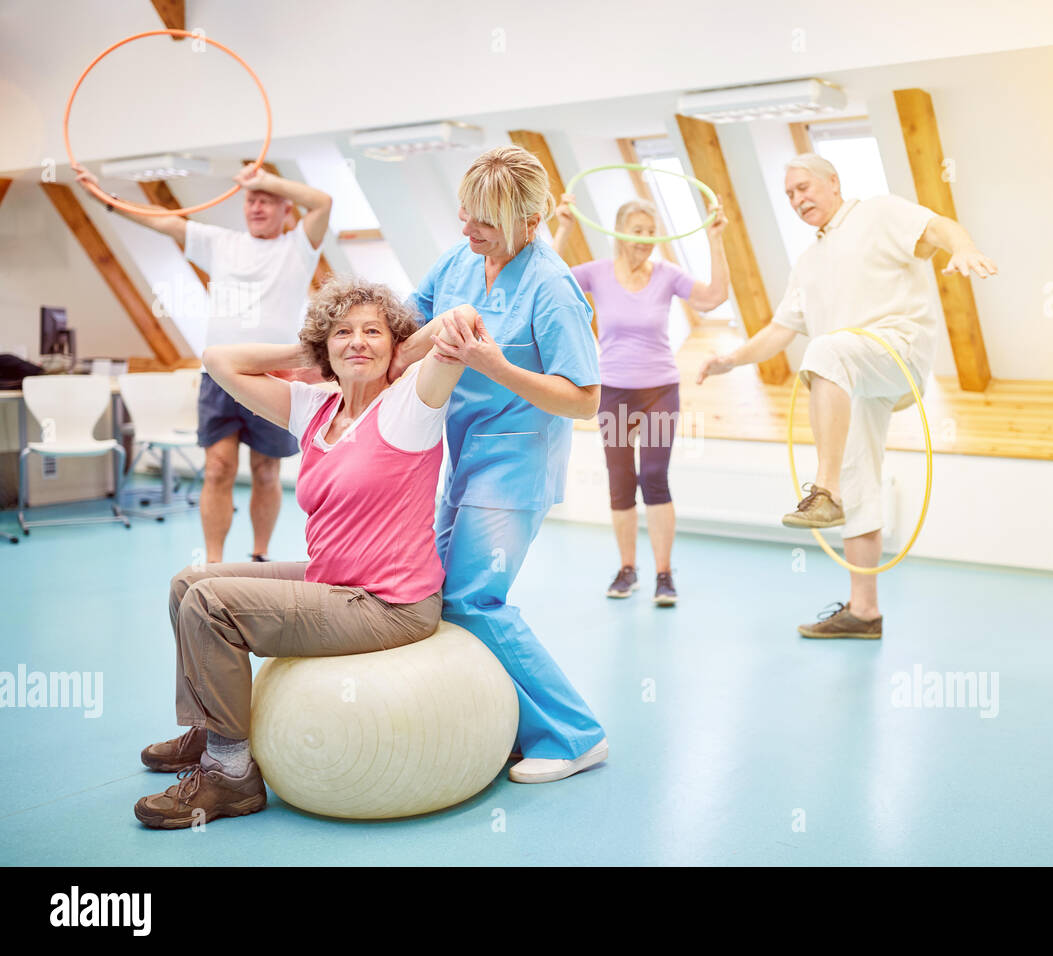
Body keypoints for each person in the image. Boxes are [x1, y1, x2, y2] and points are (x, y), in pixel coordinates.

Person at [133, 277, 465, 828]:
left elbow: (462, 319)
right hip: (332, 579)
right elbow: (218, 361)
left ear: (396, 345)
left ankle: (230, 775)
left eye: (372, 332)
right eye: (342, 333)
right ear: (323, 347)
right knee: (189, 582)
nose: (357, 342)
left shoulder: (412, 403)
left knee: (212, 604)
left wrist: (396, 356)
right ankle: (207, 731)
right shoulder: (315, 405)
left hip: (388, 603)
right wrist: (311, 352)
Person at [697, 154, 997, 639]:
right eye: (789, 195)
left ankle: (824, 490)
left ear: (833, 182)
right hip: (850, 376)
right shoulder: (809, 261)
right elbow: (778, 331)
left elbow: (938, 227)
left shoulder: (876, 213)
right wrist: (730, 360)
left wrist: (963, 248)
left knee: (825, 349)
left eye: (804, 188)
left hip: (896, 348)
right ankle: (864, 612)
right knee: (860, 482)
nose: (797, 200)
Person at [401, 145, 608, 784]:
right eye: (465, 214)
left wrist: (496, 366)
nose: (468, 230)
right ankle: (503, 722)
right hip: (462, 456)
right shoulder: (460, 262)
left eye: (483, 221)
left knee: (473, 597)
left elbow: (585, 398)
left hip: (517, 460)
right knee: (434, 591)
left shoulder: (552, 287)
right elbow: (408, 321)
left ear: (528, 221)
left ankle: (575, 735)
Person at [73, 161, 332, 563]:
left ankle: (259, 557)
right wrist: (103, 198)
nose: (257, 207)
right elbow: (162, 222)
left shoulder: (297, 248)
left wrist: (262, 178)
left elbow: (322, 202)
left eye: (267, 200)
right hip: (219, 377)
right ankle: (212, 563)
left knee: (265, 471)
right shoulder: (221, 243)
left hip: (275, 376)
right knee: (217, 468)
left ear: (286, 209)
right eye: (251, 200)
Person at [552, 194, 729, 605]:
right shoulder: (598, 273)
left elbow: (713, 296)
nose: (646, 239)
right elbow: (548, 283)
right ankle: (627, 568)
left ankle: (664, 575)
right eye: (638, 231)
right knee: (620, 481)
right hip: (613, 391)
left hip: (658, 391)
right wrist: (563, 228)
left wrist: (716, 240)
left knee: (653, 475)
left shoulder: (667, 275)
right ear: (618, 234)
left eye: (652, 232)